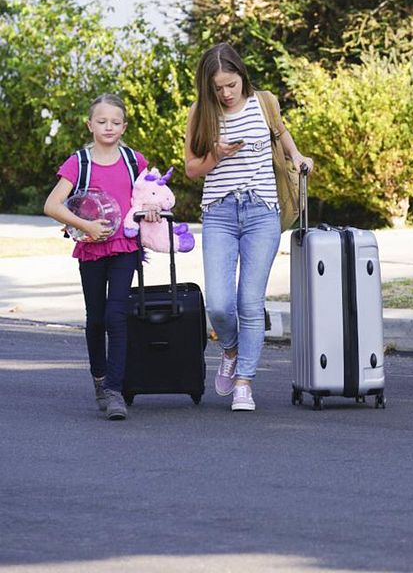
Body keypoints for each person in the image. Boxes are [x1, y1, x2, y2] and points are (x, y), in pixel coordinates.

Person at [184, 43, 313, 412]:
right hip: (219, 213)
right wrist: (216, 156)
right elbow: (192, 169)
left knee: (250, 303)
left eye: (231, 84)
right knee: (221, 305)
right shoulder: (200, 113)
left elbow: (281, 133)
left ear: (242, 76)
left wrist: (298, 155)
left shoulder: (265, 102)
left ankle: (245, 383)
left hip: (262, 212)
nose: (226, 93)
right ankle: (231, 349)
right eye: (218, 88)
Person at [43, 94, 161, 420]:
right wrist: (86, 226)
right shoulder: (78, 163)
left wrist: (152, 208)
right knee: (96, 319)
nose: (109, 127)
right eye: (102, 121)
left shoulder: (133, 160)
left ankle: (114, 390)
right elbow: (52, 206)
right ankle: (99, 378)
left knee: (116, 316)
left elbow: (152, 195)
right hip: (91, 249)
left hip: (125, 248)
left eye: (115, 122)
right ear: (90, 124)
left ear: (124, 126)